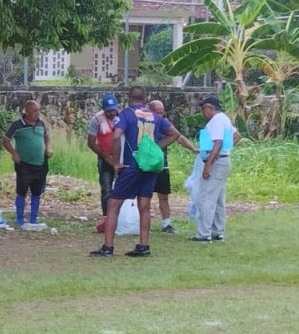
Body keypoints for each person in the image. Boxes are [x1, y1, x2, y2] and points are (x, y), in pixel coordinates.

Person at [89, 85, 181, 258]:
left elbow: (116, 136)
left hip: (132, 164)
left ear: (129, 98)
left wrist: (117, 163)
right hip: (150, 165)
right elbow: (174, 134)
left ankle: (108, 247)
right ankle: (143, 246)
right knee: (144, 206)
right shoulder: (154, 116)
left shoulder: (126, 114)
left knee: (113, 204)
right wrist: (155, 147)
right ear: (144, 99)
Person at [192, 94, 240, 243]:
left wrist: (208, 164)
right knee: (218, 198)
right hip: (222, 160)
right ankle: (217, 231)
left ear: (209, 108)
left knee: (207, 197)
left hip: (216, 162)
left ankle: (204, 233)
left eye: (203, 109)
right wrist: (226, 149)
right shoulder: (224, 118)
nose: (203, 113)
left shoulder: (216, 120)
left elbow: (217, 142)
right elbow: (237, 136)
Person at [148, 99, 197, 234]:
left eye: (161, 112)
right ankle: (142, 222)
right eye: (157, 112)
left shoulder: (165, 124)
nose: (159, 115)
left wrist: (193, 149)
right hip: (146, 164)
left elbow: (179, 137)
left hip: (161, 164)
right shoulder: (144, 124)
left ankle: (167, 224)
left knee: (163, 195)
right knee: (144, 196)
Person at [1, 99, 52, 228]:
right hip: (24, 165)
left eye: (38, 110)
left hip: (40, 164)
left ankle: (33, 218)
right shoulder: (17, 125)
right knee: (21, 191)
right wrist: (14, 153)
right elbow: (5, 141)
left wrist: (48, 148)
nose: (37, 113)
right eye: (34, 111)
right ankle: (19, 218)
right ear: (27, 112)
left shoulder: (41, 123)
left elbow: (47, 136)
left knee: (37, 192)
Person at [86, 93, 119, 232]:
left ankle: (121, 218)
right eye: (109, 110)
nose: (112, 113)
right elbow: (91, 142)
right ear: (104, 109)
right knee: (106, 189)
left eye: (114, 110)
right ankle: (108, 219)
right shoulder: (97, 120)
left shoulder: (122, 117)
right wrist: (104, 156)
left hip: (121, 159)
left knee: (122, 189)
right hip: (105, 159)